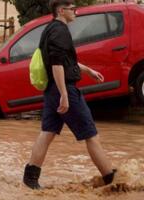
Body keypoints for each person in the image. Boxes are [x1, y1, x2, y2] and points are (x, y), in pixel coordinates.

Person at [23, 0, 116, 190]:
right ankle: (112, 181)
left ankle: (30, 178)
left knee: (47, 133)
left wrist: (88, 70)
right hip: (63, 89)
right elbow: (57, 64)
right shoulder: (60, 31)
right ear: (61, 10)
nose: (76, 12)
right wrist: (64, 95)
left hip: (51, 89)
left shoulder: (49, 29)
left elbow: (65, 61)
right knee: (91, 135)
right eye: (73, 9)